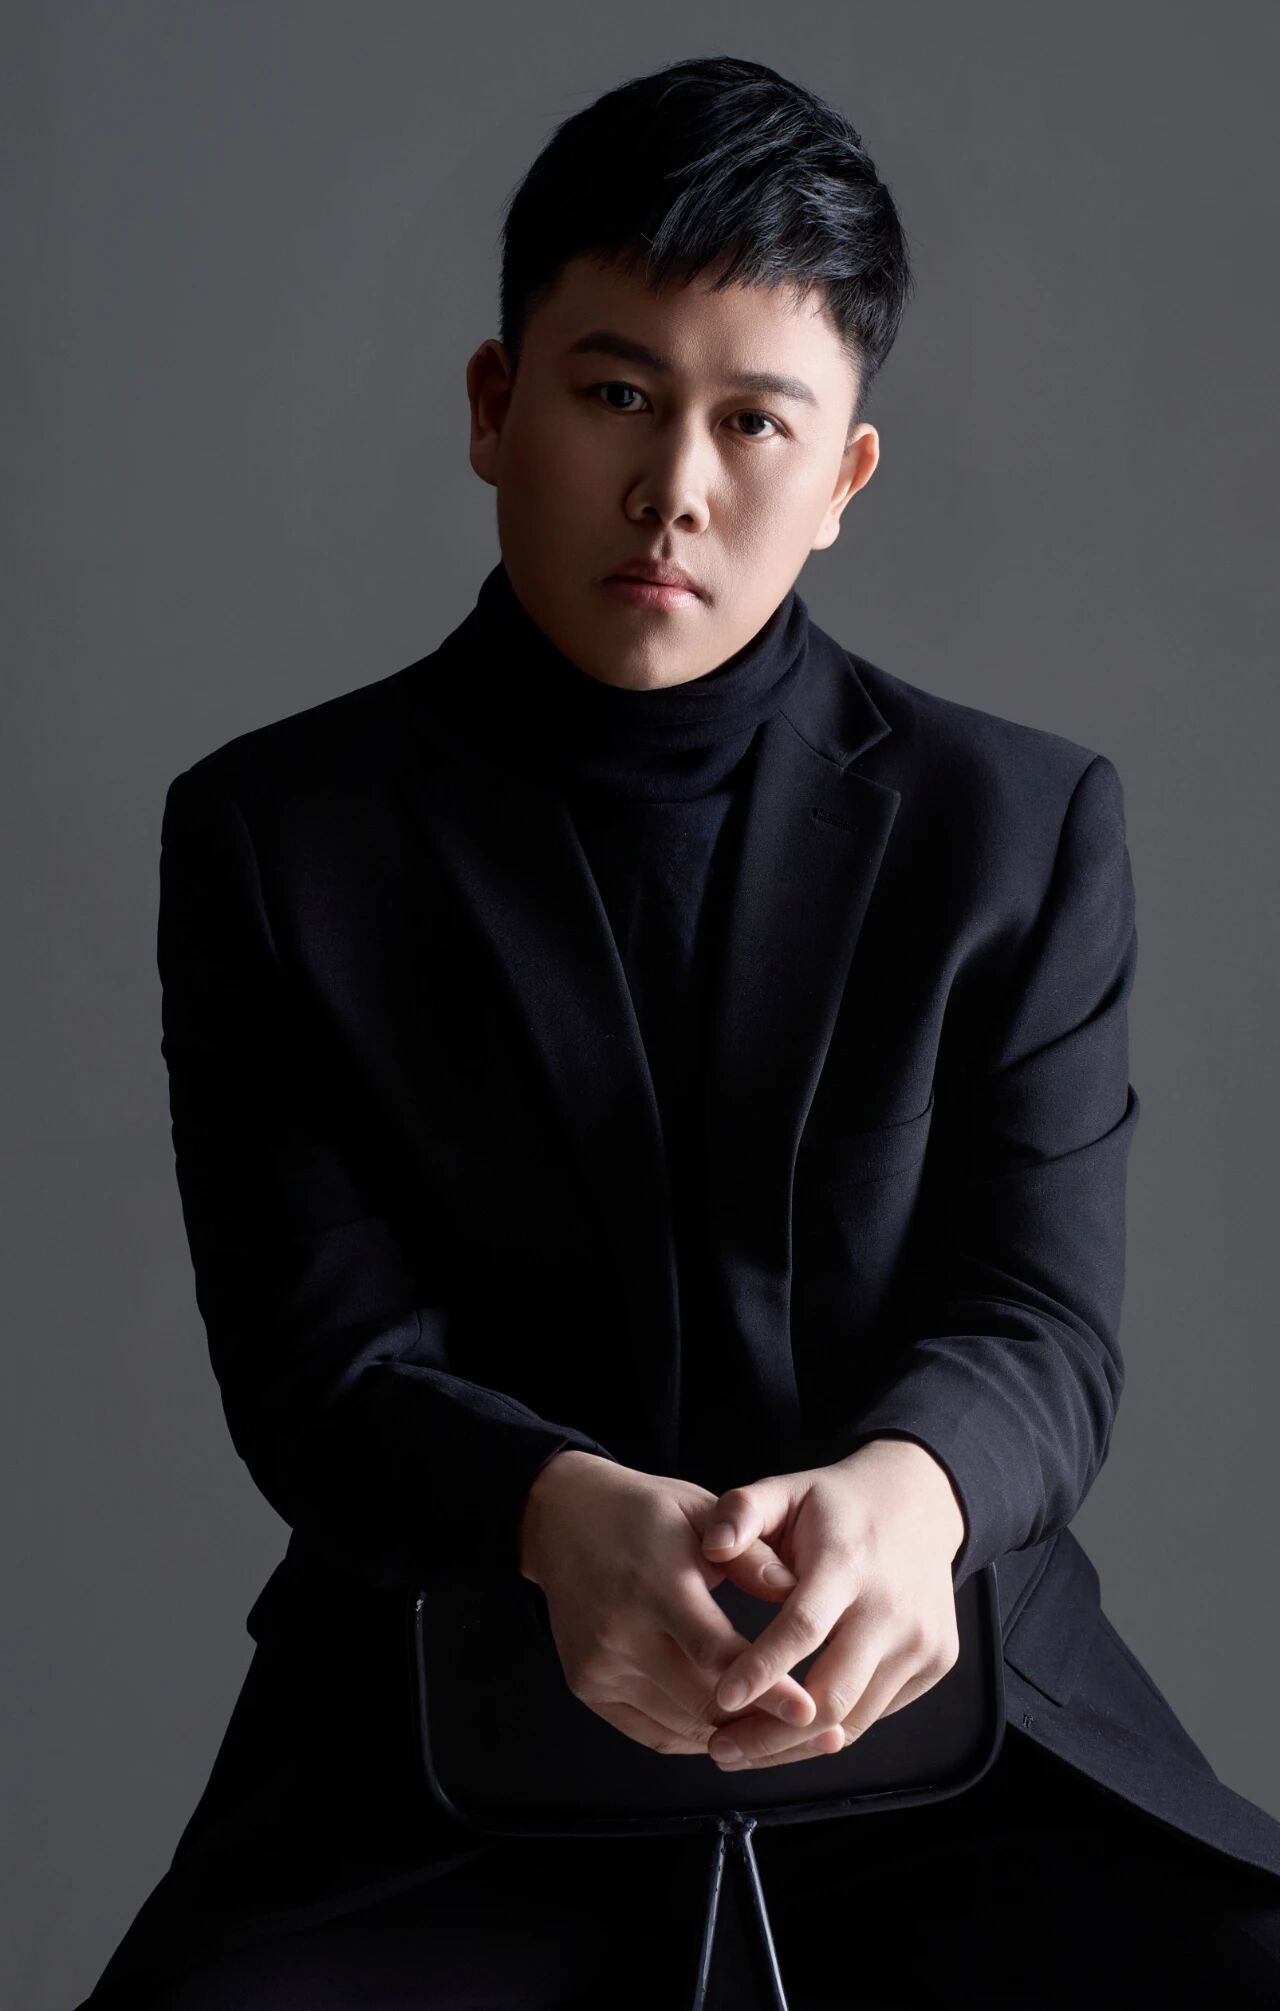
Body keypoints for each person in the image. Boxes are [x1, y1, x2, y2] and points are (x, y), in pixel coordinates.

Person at [78, 52, 1280, 2009]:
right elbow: (319, 1361)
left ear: (844, 477)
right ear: (496, 407)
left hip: (948, 1700)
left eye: (752, 421)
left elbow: (1043, 1327)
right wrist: (558, 1518)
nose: (675, 489)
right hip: (441, 1707)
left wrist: (913, 1495)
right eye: (616, 395)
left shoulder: (1017, 824)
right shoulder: (278, 835)